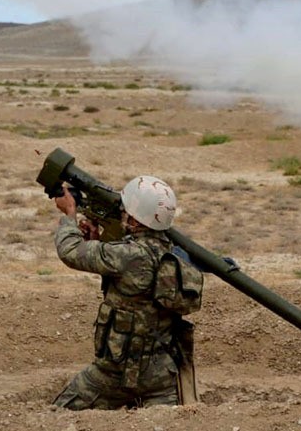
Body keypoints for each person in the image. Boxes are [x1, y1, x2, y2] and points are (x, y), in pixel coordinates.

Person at [50, 175, 198, 410]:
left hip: (115, 374)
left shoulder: (127, 255)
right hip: (161, 377)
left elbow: (70, 251)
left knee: (56, 414)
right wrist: (97, 241)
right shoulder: (172, 254)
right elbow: (134, 284)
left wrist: (69, 214)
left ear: (136, 220)